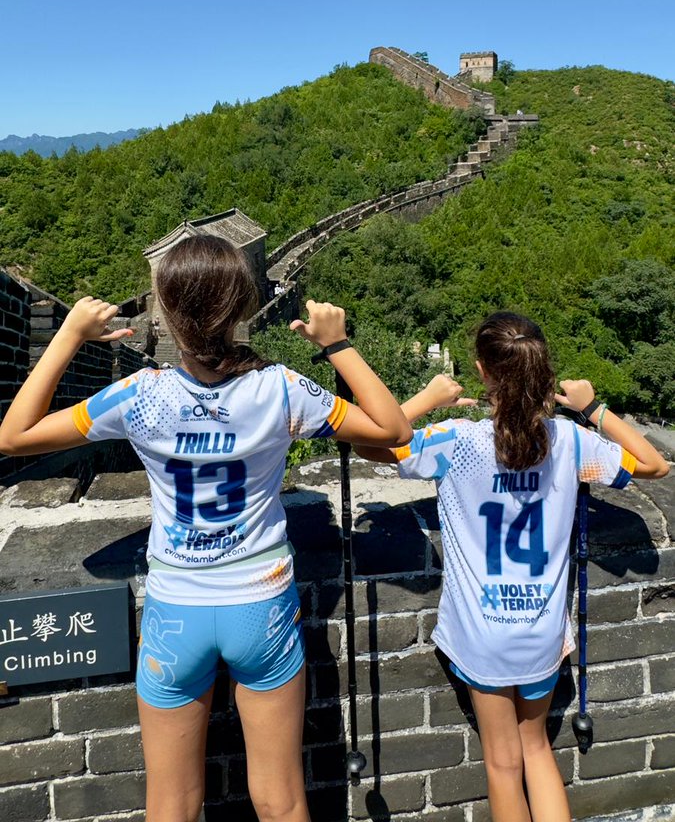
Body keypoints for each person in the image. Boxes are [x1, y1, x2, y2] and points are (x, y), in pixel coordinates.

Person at [0, 235, 412, 822]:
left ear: (167, 312)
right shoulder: (282, 390)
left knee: (171, 804)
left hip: (176, 612)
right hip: (262, 607)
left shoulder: (138, 396)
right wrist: (337, 344)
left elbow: (13, 436)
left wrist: (69, 334)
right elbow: (392, 429)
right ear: (244, 307)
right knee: (283, 799)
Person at [355, 311, 669, 822]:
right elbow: (655, 465)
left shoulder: (455, 442)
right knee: (537, 751)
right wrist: (594, 409)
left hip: (482, 630)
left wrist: (426, 401)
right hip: (543, 630)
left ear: (482, 372)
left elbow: (371, 444)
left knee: (502, 765)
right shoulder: (569, 443)